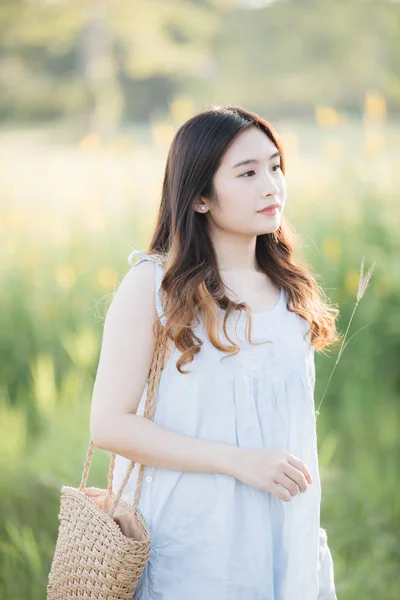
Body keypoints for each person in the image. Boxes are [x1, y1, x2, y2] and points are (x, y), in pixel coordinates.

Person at [90, 105, 339, 599]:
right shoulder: (153, 287)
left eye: (274, 166)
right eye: (247, 173)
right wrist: (238, 461)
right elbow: (109, 425)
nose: (271, 186)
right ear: (200, 197)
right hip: (194, 545)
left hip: (286, 537)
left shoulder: (290, 290)